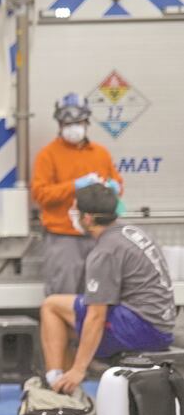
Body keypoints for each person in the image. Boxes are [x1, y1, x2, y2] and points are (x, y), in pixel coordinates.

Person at [41, 184, 177, 395]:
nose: (72, 216)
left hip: (142, 328)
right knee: (61, 329)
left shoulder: (105, 251)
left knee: (51, 306)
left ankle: (57, 386)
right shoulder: (132, 231)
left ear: (87, 218)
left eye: (75, 211)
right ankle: (66, 391)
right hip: (161, 325)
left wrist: (79, 369)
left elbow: (96, 316)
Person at [32, 93, 123, 295]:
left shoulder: (100, 153)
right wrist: (74, 186)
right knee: (63, 295)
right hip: (63, 238)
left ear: (86, 121)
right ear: (60, 124)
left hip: (98, 235)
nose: (73, 127)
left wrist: (113, 187)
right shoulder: (48, 155)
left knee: (99, 295)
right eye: (67, 122)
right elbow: (40, 194)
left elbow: (118, 187)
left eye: (78, 121)